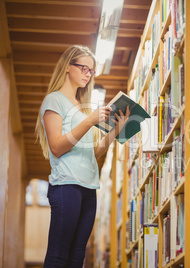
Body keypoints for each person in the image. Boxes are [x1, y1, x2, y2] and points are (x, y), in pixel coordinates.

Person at [35, 44, 130, 267]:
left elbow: (93, 153)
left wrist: (116, 129)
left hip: (89, 188)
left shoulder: (83, 108)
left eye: (91, 71)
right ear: (68, 67)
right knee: (59, 254)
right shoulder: (54, 101)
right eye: (83, 68)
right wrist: (90, 121)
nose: (88, 74)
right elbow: (57, 147)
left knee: (78, 256)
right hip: (66, 186)